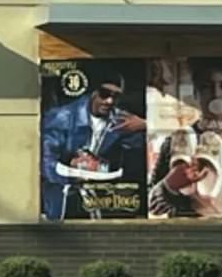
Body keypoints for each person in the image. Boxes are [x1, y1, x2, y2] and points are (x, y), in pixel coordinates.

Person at [148, 58, 222, 218]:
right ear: (196, 93)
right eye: (206, 87)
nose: (216, 94)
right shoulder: (178, 141)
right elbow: (151, 206)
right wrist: (168, 187)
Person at [40, 70, 147, 220]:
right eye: (104, 94)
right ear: (93, 92)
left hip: (102, 200)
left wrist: (145, 125)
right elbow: (45, 162)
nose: (109, 101)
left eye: (115, 97)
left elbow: (139, 161)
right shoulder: (63, 117)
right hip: (62, 199)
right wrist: (73, 168)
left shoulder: (121, 120)